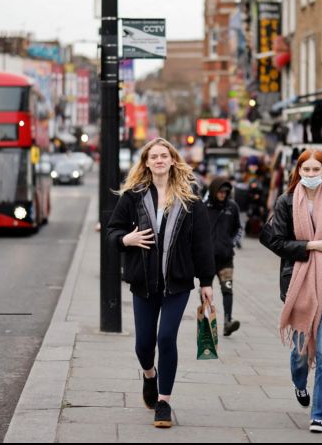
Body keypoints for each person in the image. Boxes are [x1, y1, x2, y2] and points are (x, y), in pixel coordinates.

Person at [107, 138, 215, 429]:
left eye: (163, 156)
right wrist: (125, 239)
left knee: (166, 338)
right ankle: (149, 374)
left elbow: (203, 243)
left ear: (172, 160)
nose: (158, 160)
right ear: (146, 163)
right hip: (143, 281)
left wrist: (206, 281)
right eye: (153, 156)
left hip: (177, 282)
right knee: (144, 344)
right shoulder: (133, 195)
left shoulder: (190, 198)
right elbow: (113, 231)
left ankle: (164, 402)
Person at [260, 150, 322, 434]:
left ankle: (319, 414)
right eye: (307, 169)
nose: (312, 175)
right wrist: (308, 246)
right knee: (300, 353)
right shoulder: (286, 202)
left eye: (317, 170)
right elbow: (275, 241)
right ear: (298, 171)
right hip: (299, 284)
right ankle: (299, 383)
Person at [205, 176, 243, 336]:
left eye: (226, 192)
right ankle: (206, 323)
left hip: (226, 259)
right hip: (206, 259)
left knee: (227, 289)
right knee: (206, 291)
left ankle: (228, 321)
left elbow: (238, 229)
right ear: (214, 191)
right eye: (220, 192)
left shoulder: (232, 207)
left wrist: (231, 243)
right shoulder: (203, 207)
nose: (223, 195)